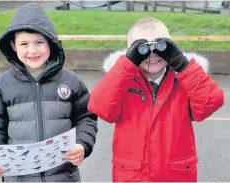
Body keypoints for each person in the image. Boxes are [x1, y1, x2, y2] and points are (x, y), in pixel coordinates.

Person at [88, 17, 224, 182]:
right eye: (142, 48)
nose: (152, 55)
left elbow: (211, 102)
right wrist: (126, 66)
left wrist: (183, 66)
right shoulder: (122, 80)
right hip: (133, 176)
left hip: (176, 176)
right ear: (130, 51)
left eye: (160, 47)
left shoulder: (185, 80)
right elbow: (100, 107)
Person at [0, 3, 98, 182]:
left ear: (50, 43)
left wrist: (82, 144)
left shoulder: (71, 81)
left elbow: (86, 118)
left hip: (63, 177)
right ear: (13, 46)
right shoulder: (2, 86)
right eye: (24, 44)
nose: (32, 50)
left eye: (39, 42)